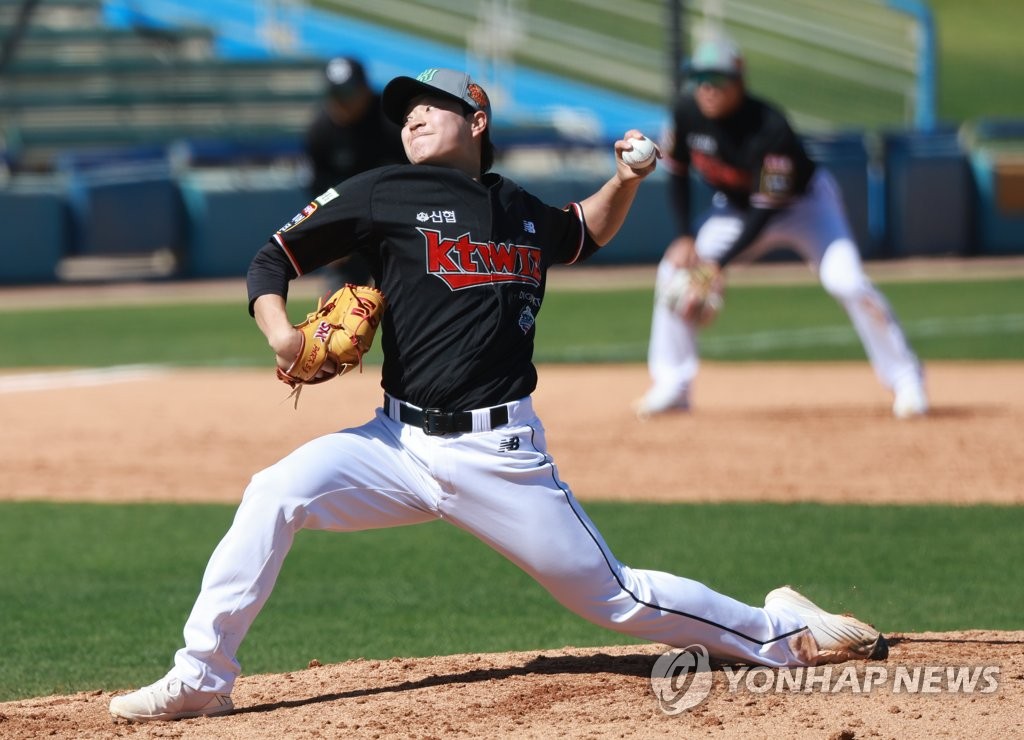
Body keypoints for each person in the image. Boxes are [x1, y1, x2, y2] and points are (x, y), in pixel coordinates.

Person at [109, 67, 887, 723]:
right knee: (274, 490)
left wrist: (624, 179)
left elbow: (583, 231)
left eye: (429, 107)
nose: (411, 117)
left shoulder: (516, 208)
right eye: (402, 112)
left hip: (499, 454)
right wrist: (281, 334)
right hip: (394, 444)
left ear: (475, 119)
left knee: (615, 599)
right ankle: (203, 676)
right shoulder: (383, 192)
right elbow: (273, 255)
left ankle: (781, 628)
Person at [635, 37, 929, 419]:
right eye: (699, 78)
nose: (707, 88)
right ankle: (672, 384)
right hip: (737, 209)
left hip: (806, 207)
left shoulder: (770, 128)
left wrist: (716, 264)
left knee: (847, 281)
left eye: (717, 79)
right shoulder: (687, 112)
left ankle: (907, 378)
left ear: (739, 81)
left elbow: (766, 211)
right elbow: (676, 171)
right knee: (675, 269)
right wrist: (685, 236)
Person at [303, 56, 407, 287]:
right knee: (338, 304)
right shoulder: (321, 130)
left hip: (399, 219)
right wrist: (327, 233)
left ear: (365, 89)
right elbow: (317, 187)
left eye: (348, 94)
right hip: (349, 225)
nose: (341, 102)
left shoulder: (391, 118)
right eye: (335, 95)